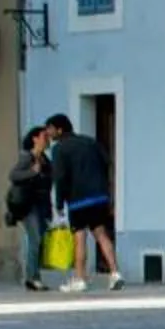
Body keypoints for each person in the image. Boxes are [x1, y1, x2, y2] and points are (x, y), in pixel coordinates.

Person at [44, 111, 121, 291]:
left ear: (60, 129)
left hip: (78, 200)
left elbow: (60, 177)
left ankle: (79, 278)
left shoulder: (59, 149)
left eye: (50, 129)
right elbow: (106, 162)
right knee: (101, 234)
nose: (48, 133)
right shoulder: (90, 142)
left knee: (79, 237)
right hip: (99, 196)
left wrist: (59, 202)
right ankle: (115, 273)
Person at [5, 124, 55, 289]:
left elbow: (48, 184)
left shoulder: (45, 159)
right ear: (35, 138)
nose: (47, 140)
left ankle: (35, 276)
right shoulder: (27, 157)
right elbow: (13, 175)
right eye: (44, 137)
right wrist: (32, 172)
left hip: (42, 205)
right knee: (35, 240)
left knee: (39, 241)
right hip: (28, 205)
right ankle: (31, 277)